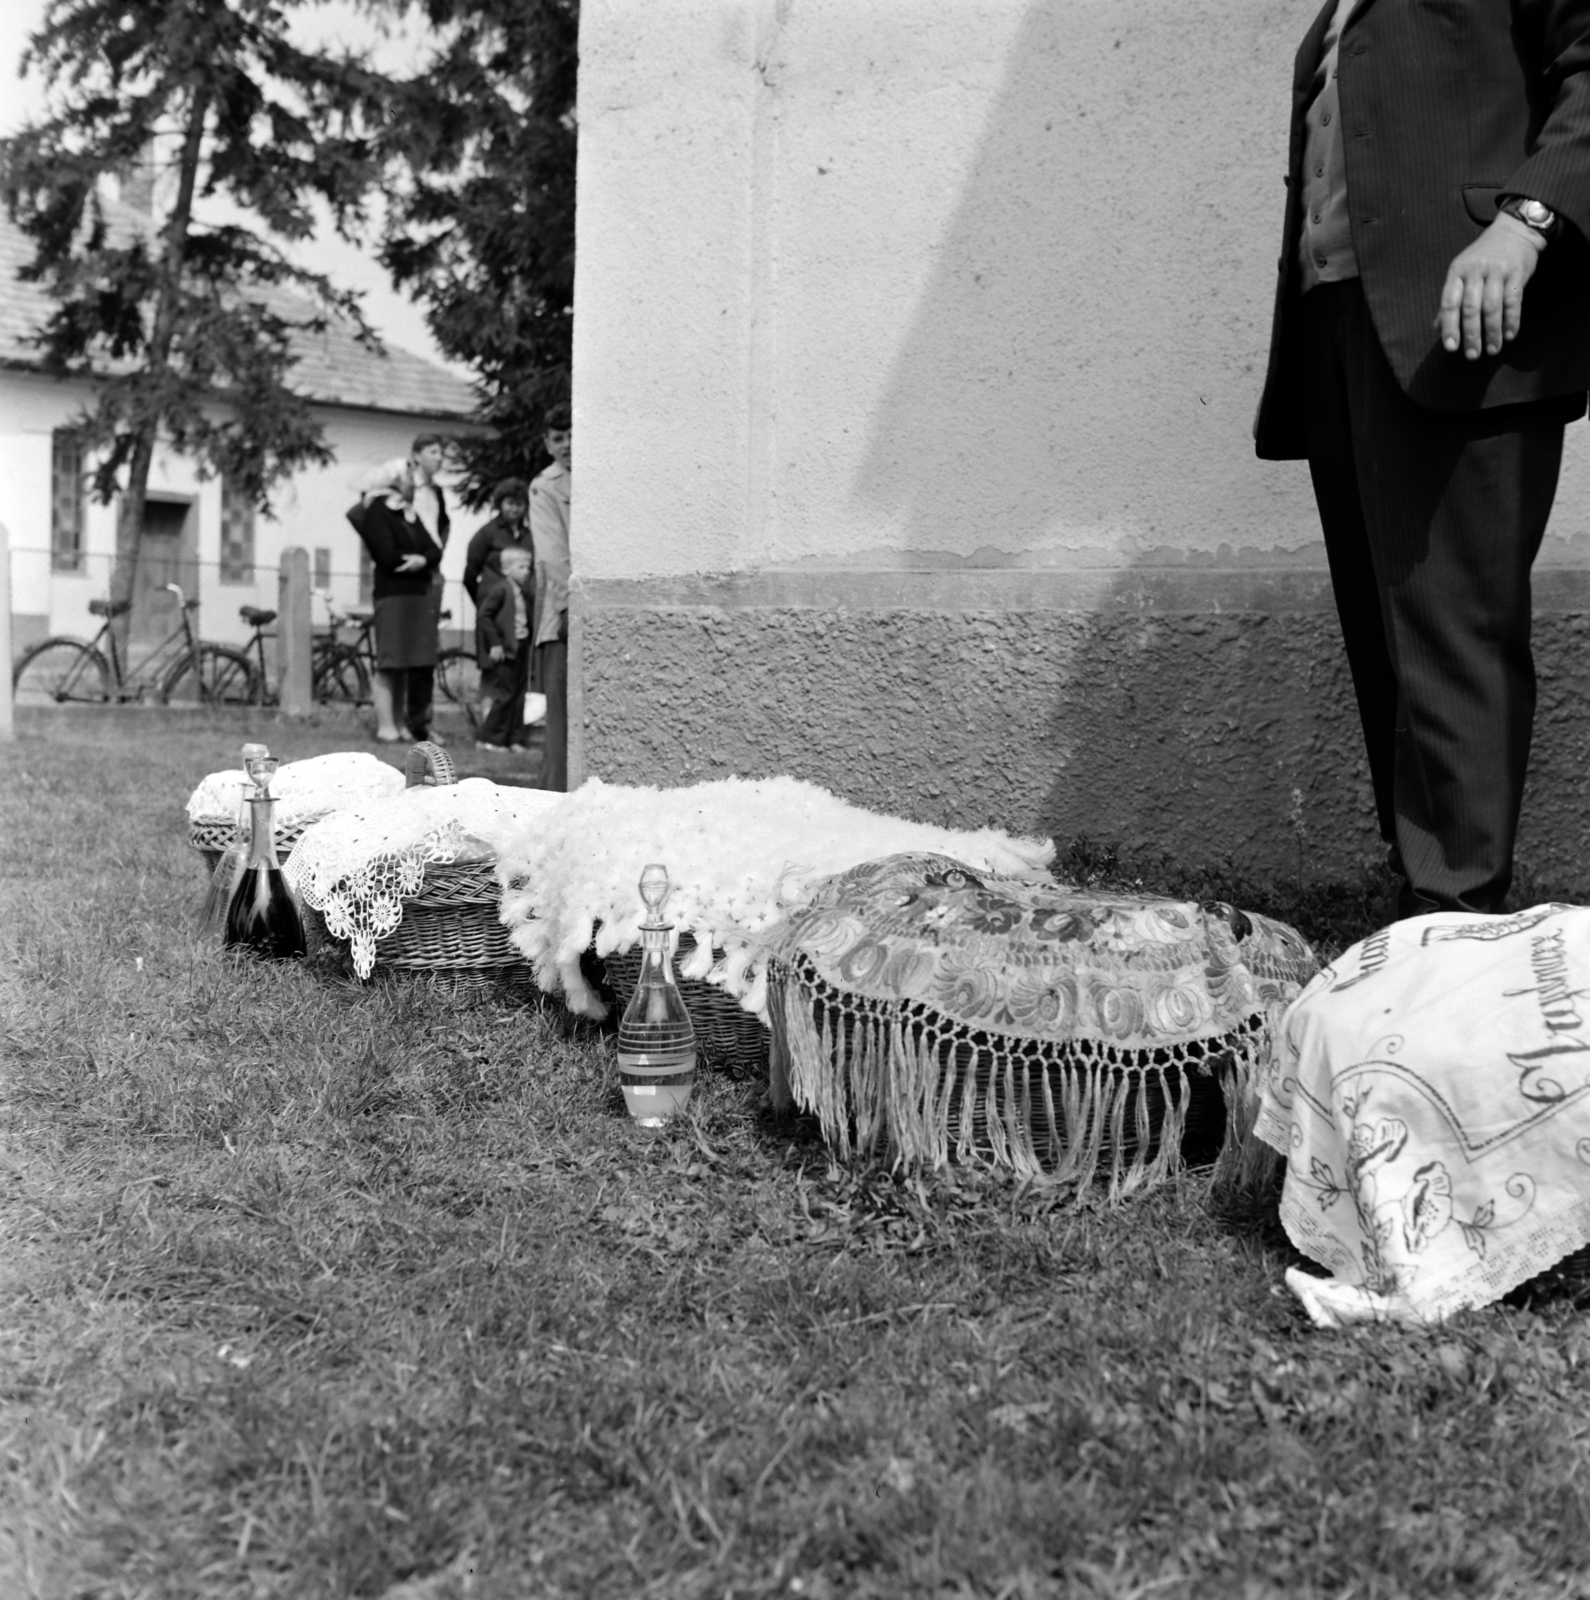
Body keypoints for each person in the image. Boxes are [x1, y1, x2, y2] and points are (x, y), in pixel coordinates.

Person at [1254, 0, 1590, 920]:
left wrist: (1526, 224)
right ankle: (1425, 897)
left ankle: (1460, 913)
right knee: (1386, 634)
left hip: (1463, 318)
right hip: (1343, 325)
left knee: (1454, 631)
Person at [346, 459, 444, 745]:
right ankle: (386, 725)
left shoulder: (407, 512)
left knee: (405, 662)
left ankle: (401, 725)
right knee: (390, 663)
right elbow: (387, 555)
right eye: (409, 477)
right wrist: (415, 558)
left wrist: (421, 559)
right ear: (396, 479)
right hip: (393, 595)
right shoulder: (377, 511)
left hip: (416, 593)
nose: (413, 482)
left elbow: (433, 549)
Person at [529, 403, 572, 791]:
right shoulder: (545, 487)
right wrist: (568, 609)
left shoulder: (594, 478)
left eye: (573, 435)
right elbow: (554, 558)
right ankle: (553, 799)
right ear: (547, 443)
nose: (568, 445)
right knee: (560, 726)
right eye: (558, 438)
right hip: (564, 616)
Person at [474, 545, 535, 752]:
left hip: (521, 647)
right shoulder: (500, 590)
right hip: (506, 650)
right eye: (521, 567)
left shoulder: (523, 592)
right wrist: (496, 643)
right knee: (505, 695)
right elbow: (484, 616)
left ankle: (514, 739)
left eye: (529, 567)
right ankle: (490, 738)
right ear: (506, 569)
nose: (526, 571)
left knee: (520, 695)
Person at [462, 478, 533, 606]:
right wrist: (482, 603)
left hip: (521, 605)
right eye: (510, 503)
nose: (514, 509)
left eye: (519, 504)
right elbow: (470, 575)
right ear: (500, 503)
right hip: (492, 604)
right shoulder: (487, 533)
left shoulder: (529, 535)